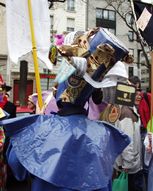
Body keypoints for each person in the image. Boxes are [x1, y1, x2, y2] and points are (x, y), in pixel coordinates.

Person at [0, 27, 131, 191]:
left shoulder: (41, 129)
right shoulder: (105, 134)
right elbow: (106, 183)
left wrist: (36, 124)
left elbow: (18, 170)